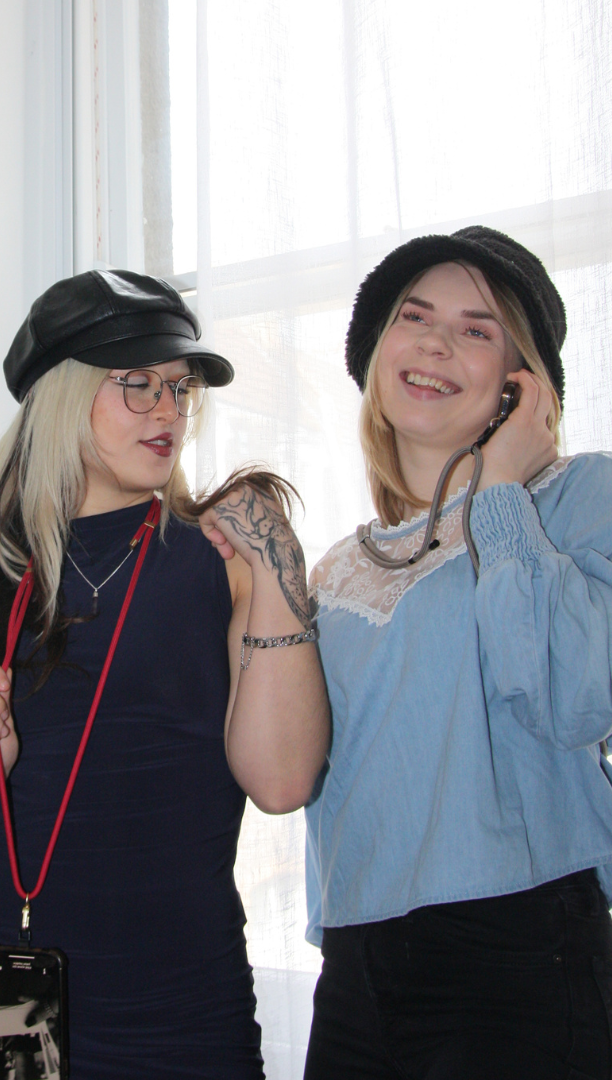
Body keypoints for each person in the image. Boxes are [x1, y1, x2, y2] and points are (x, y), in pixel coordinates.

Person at [0, 269, 329, 1078]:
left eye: (179, 390)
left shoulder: (230, 566)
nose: (168, 411)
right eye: (136, 385)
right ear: (60, 398)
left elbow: (282, 782)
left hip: (178, 1005)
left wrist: (280, 562)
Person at [303, 226, 612, 1079]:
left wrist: (503, 488)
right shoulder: (337, 565)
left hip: (516, 952)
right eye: (416, 315)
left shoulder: (581, 497)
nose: (436, 342)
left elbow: (567, 692)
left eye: (477, 328)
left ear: (525, 385)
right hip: (357, 957)